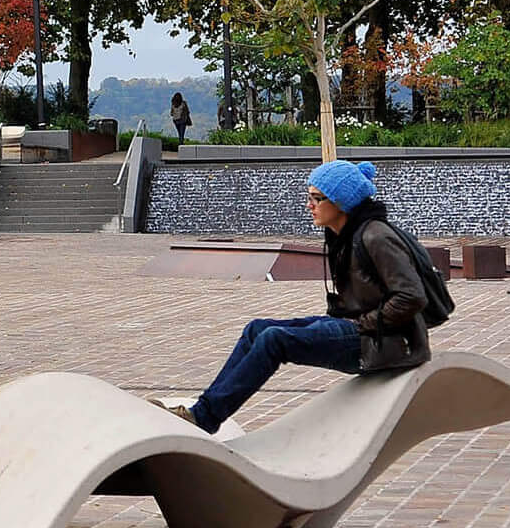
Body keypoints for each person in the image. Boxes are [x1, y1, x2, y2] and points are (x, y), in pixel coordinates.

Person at [157, 160, 449, 433]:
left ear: (341, 202)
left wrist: (366, 323)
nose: (309, 205)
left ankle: (203, 419)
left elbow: (412, 296)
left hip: (382, 342)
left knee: (274, 339)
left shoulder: (376, 236)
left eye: (316, 198)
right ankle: (201, 413)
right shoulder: (344, 234)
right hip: (359, 327)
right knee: (256, 329)